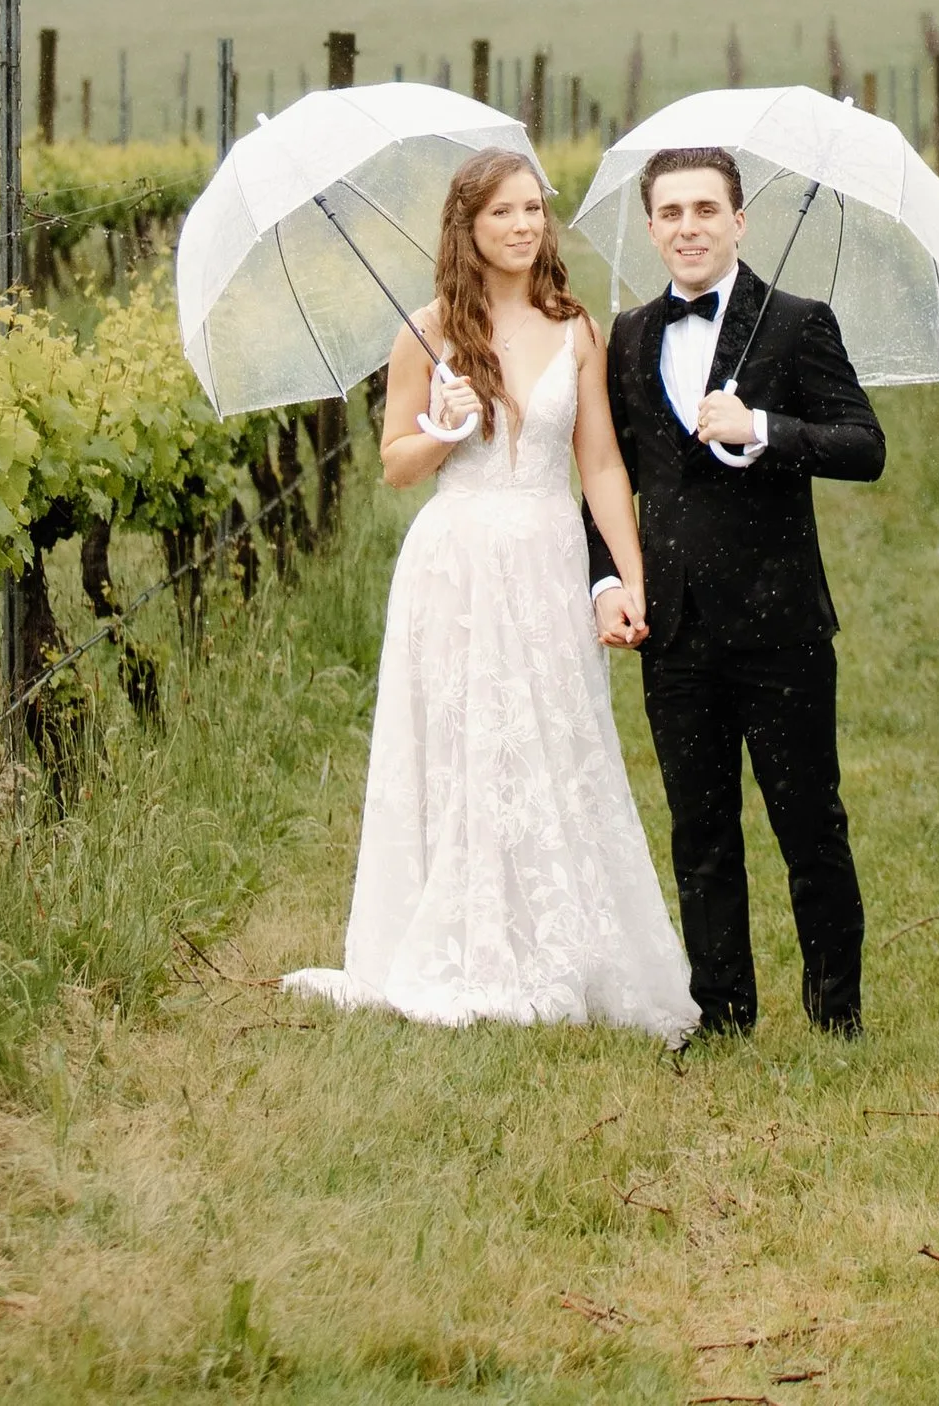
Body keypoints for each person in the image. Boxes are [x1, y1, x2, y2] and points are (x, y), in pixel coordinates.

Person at [284, 150, 698, 1038]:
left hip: (548, 552)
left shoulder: (576, 326)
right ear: (467, 228)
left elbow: (599, 461)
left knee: (555, 730)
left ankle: (561, 937)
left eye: (532, 211)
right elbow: (396, 465)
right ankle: (468, 935)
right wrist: (444, 428)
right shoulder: (425, 331)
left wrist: (628, 574)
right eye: (503, 213)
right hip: (457, 558)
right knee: (466, 737)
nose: (523, 227)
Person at [585, 149, 885, 1039]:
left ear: (740, 221)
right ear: (650, 228)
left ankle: (837, 1017)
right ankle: (723, 1014)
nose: (688, 228)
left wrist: (765, 428)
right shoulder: (631, 334)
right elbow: (611, 476)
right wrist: (607, 577)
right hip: (672, 630)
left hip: (780, 624)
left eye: (706, 211)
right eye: (671, 213)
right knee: (700, 829)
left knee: (808, 823)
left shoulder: (796, 324)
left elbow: (864, 446)